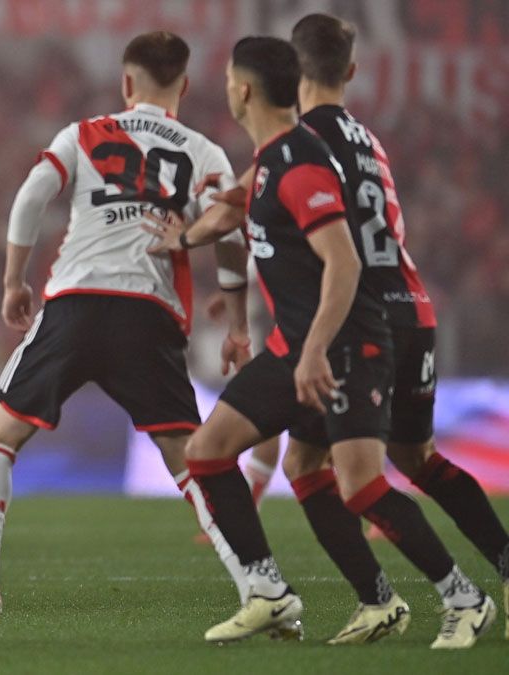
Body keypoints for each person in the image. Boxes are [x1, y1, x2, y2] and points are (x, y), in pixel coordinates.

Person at [147, 35, 493, 648]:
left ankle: (465, 599)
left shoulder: (301, 159)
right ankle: (283, 594)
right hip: (299, 344)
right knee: (217, 451)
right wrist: (182, 239)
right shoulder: (278, 157)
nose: (224, 89)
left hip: (344, 344)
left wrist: (313, 352)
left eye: (227, 80)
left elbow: (344, 261)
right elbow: (232, 212)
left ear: (244, 90)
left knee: (363, 485)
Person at [0, 31, 254, 643]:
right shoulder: (204, 151)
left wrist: (14, 281)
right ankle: (257, 588)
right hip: (149, 311)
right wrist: (239, 321)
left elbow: (31, 196)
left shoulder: (84, 133)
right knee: (191, 461)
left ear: (126, 83)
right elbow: (229, 231)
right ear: (184, 85)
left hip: (76, 301)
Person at [284, 12, 507, 645]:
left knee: (348, 475)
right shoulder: (370, 140)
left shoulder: (301, 141)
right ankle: (491, 565)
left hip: (363, 319)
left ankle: (441, 598)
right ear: (351, 70)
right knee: (412, 457)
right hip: (415, 307)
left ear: (294, 72)